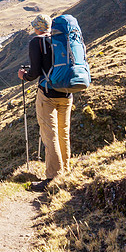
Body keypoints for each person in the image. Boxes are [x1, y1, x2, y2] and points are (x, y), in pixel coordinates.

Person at [18, 13, 73, 186]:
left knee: (50, 135)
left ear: (37, 27)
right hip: (67, 93)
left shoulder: (36, 42)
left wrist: (23, 76)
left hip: (47, 94)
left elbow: (34, 73)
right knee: (63, 134)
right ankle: (65, 169)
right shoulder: (62, 39)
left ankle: (52, 177)